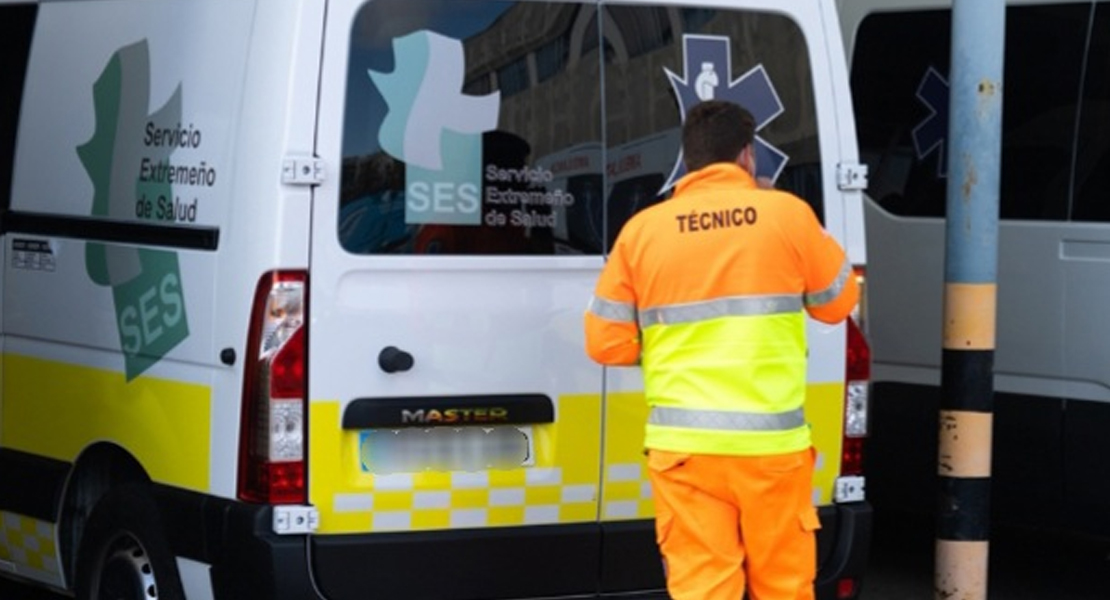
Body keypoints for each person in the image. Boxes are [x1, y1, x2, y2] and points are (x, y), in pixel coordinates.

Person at [583, 100, 859, 600]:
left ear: (688, 161)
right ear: (748, 157)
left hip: (685, 454)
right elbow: (838, 304)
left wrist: (670, 350)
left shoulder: (642, 231)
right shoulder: (788, 216)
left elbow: (605, 344)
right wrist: (792, 222)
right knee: (783, 588)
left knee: (703, 590)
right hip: (771, 453)